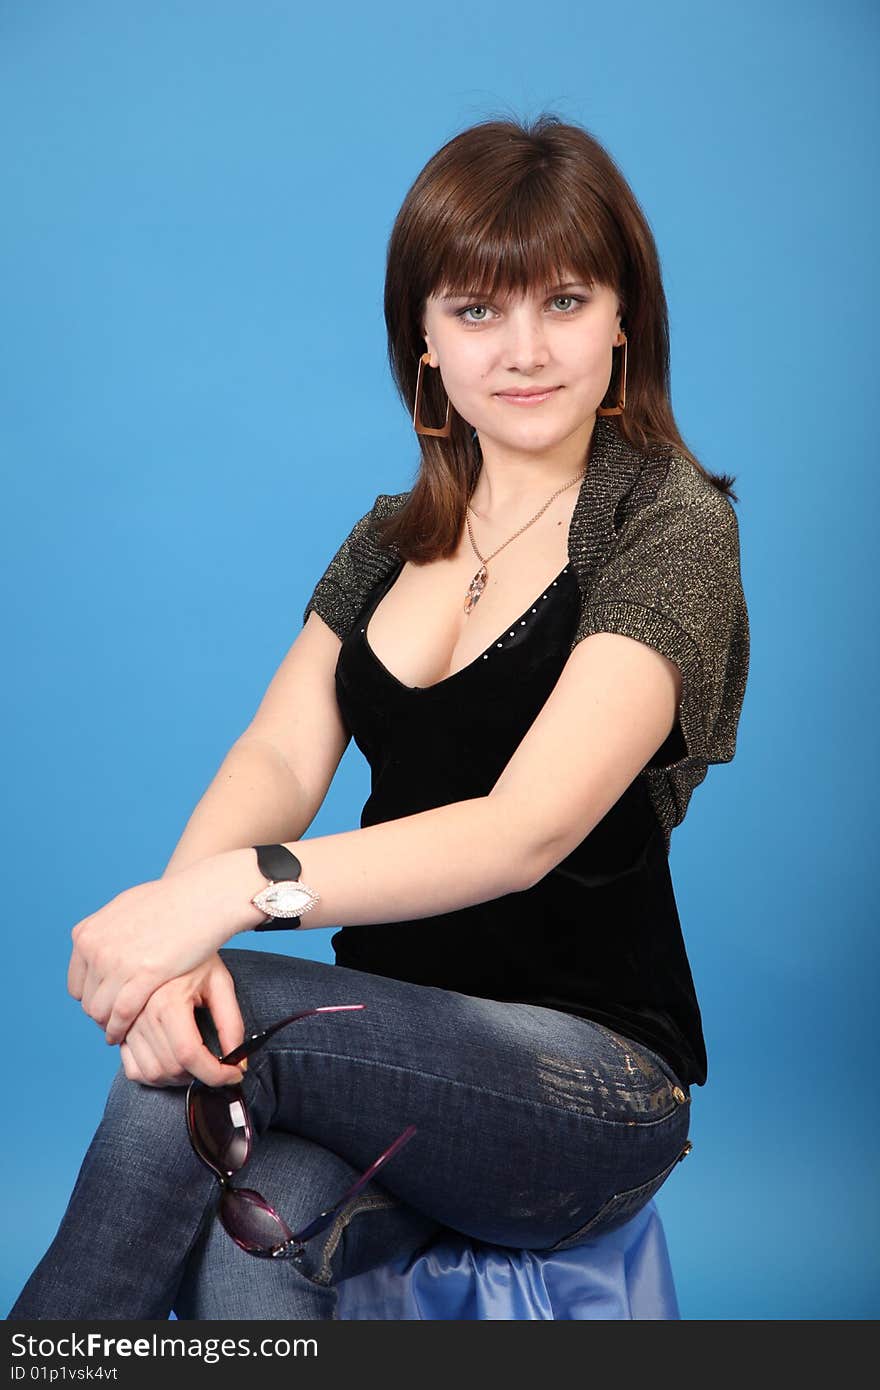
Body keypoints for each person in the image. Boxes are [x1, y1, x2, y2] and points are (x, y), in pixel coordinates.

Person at [8, 112, 749, 1321]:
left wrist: (221, 901)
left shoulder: (665, 525)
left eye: (563, 302)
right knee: (250, 1234)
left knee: (241, 1020)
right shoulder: (387, 536)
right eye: (477, 309)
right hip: (385, 1059)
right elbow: (278, 751)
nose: (523, 349)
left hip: (592, 1087)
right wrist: (177, 948)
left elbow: (523, 829)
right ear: (423, 335)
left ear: (625, 318)